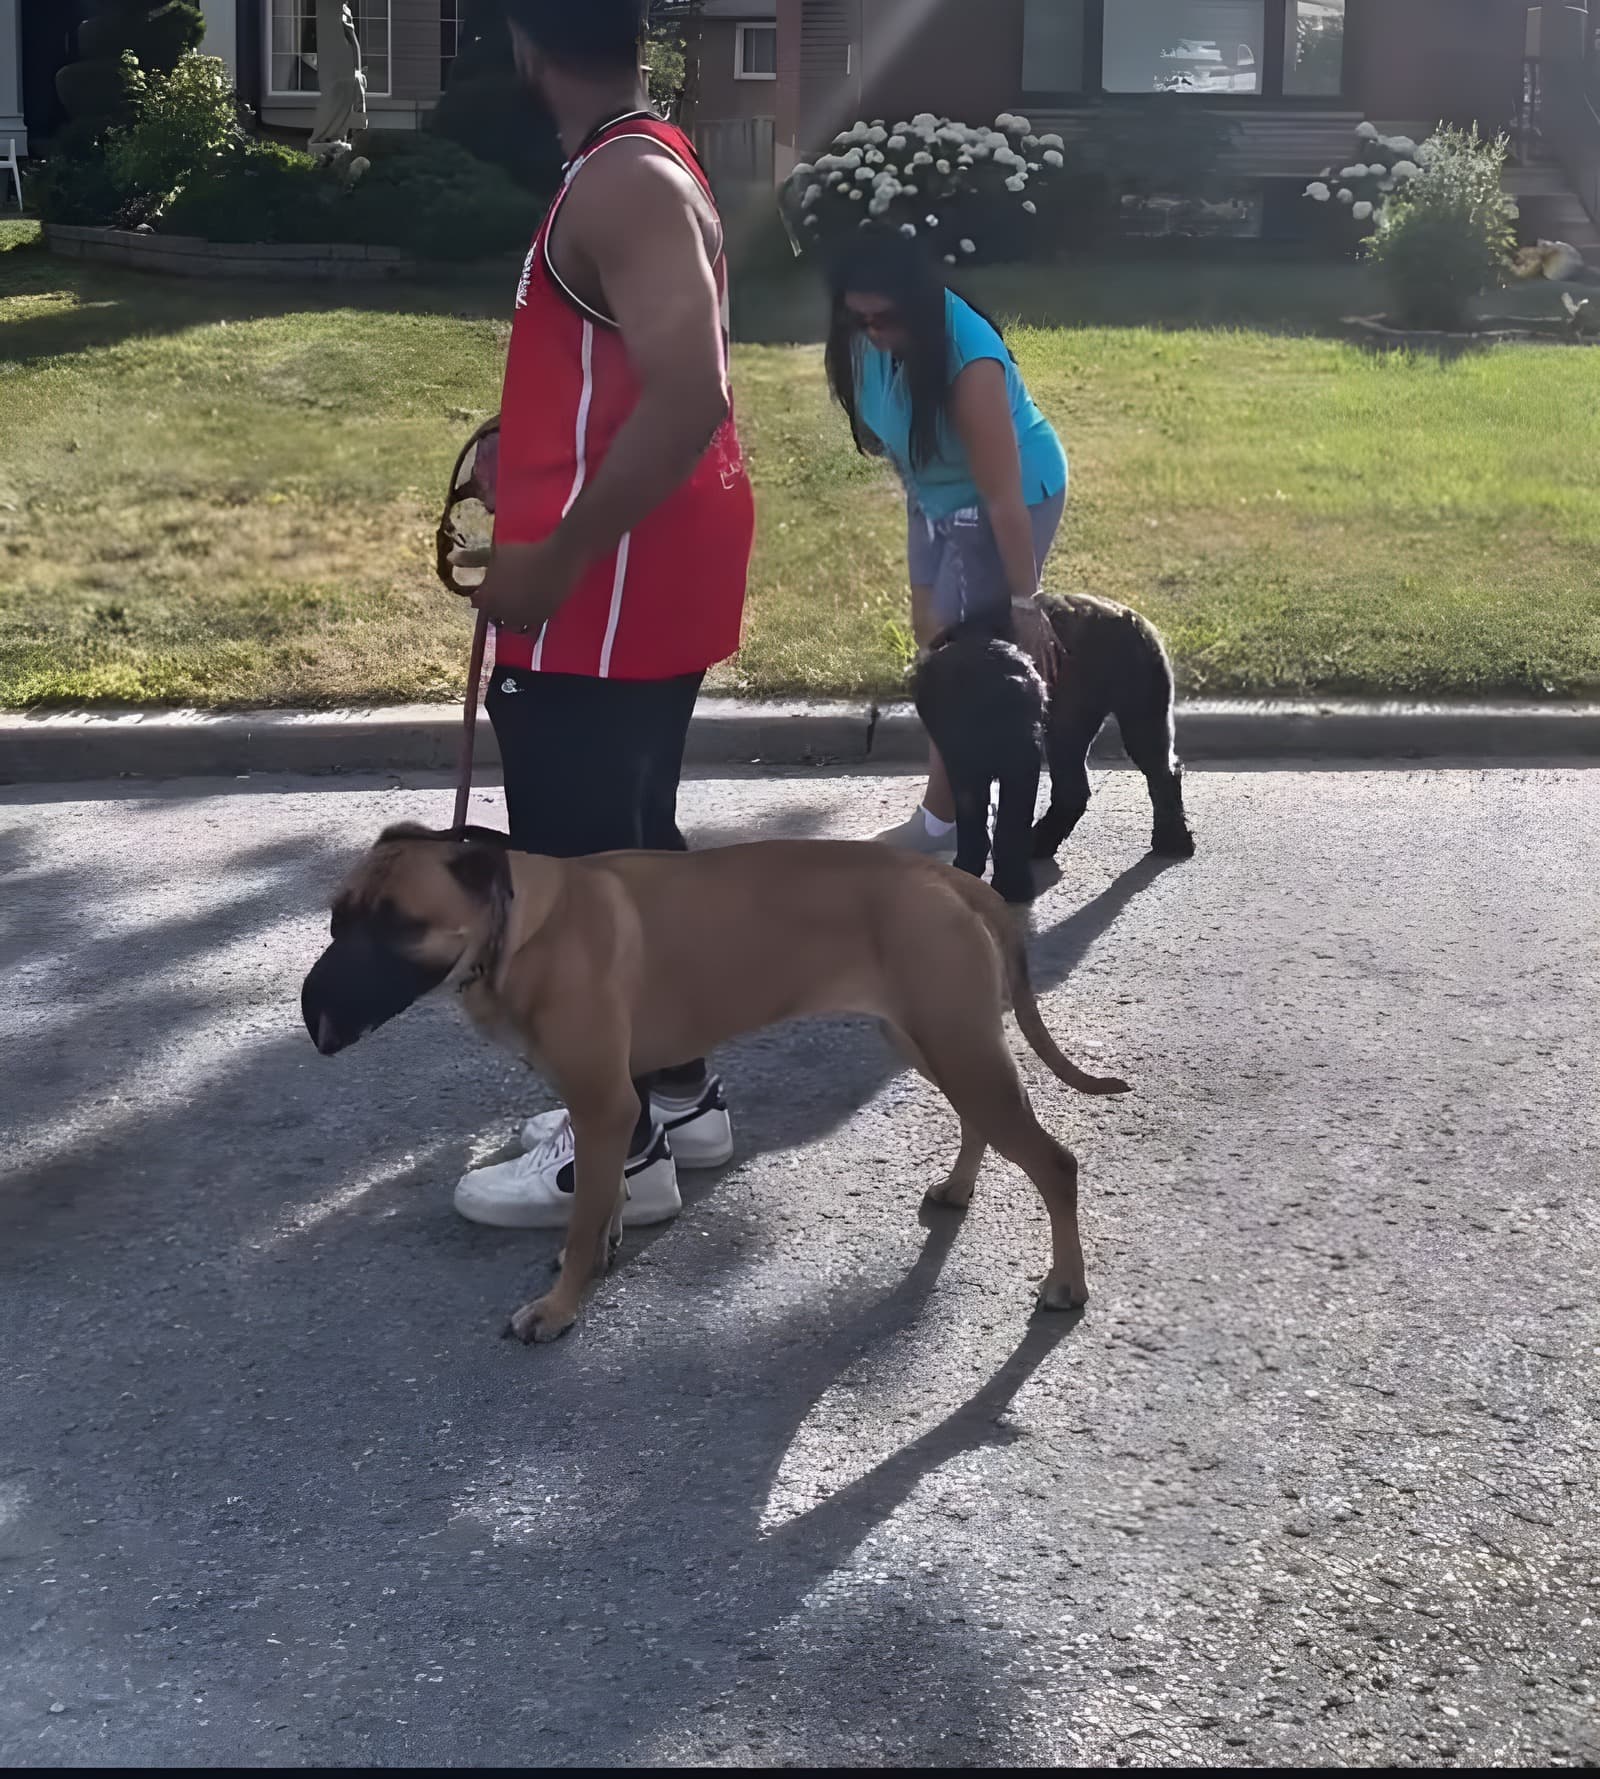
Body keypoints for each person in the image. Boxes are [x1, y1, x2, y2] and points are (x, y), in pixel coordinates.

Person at [451, 0, 755, 1232]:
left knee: (572, 875)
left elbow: (688, 398)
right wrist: (511, 446)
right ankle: (676, 1094)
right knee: (631, 849)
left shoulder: (621, 181)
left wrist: (555, 561)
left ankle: (617, 1158)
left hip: (602, 590)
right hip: (638, 577)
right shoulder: (639, 160)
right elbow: (622, 373)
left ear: (527, 42)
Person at [824, 227, 1068, 852]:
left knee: (964, 663)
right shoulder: (864, 339)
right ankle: (953, 800)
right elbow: (899, 440)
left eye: (885, 319)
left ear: (919, 304)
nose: (872, 333)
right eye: (859, 320)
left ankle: (944, 817)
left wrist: (1022, 602)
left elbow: (1003, 498)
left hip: (1009, 498)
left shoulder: (971, 361)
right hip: (934, 494)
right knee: (933, 638)